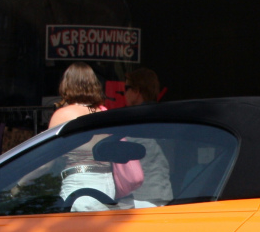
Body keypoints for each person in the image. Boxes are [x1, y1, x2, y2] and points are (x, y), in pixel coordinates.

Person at [48, 63, 143, 209]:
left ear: (66, 85)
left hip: (80, 185)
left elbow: (47, 159)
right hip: (108, 184)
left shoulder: (63, 115)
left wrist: (20, 183)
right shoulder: (103, 114)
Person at [121, 68, 174, 204]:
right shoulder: (168, 118)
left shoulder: (134, 120)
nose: (124, 93)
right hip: (164, 192)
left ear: (137, 90)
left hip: (141, 197)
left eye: (127, 88)